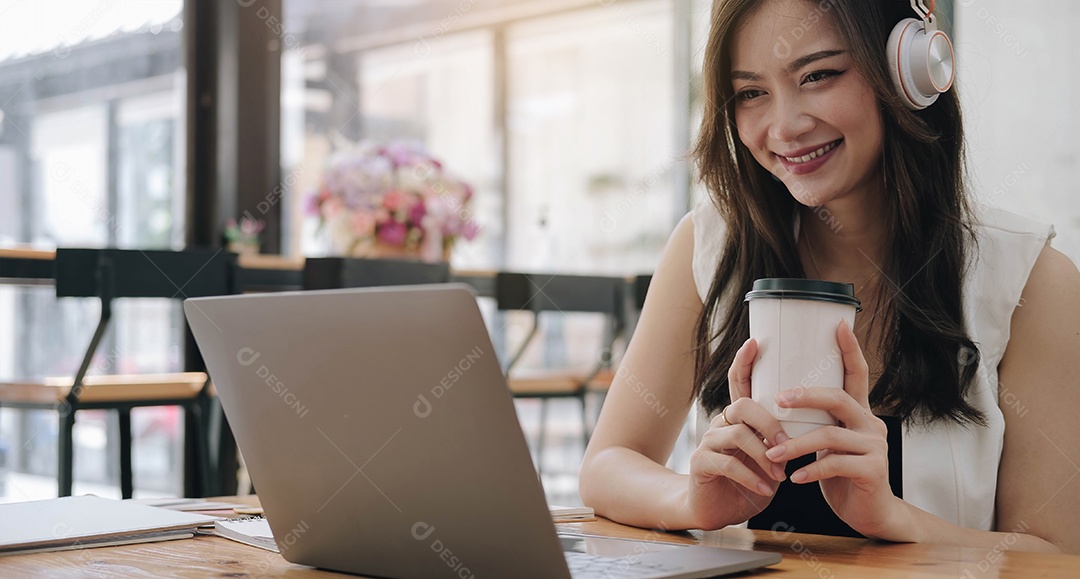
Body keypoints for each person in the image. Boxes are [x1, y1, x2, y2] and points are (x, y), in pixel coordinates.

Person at [579, 0, 1080, 553]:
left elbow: (1058, 553)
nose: (785, 126)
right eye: (751, 93)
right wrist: (690, 502)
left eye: (818, 75)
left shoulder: (1030, 279)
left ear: (911, 69)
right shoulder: (711, 244)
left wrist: (895, 518)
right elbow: (607, 463)